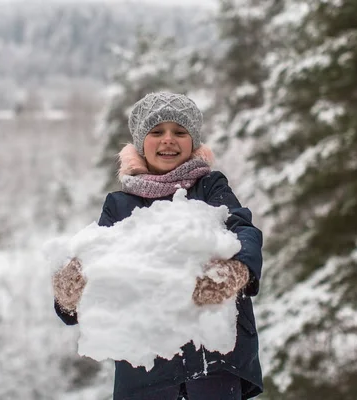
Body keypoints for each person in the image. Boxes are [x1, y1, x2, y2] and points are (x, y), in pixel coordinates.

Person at [52, 92, 263, 400]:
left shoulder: (210, 187)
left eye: (180, 132)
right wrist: (70, 295)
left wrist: (236, 268)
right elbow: (99, 266)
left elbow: (243, 229)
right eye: (156, 132)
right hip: (144, 369)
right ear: (140, 142)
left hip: (212, 361)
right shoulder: (120, 205)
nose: (168, 140)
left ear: (193, 142)